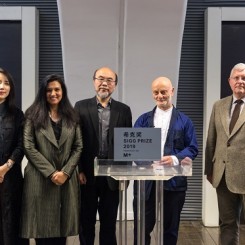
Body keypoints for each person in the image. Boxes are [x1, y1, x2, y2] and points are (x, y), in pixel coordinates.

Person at [133, 76, 198, 245]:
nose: (160, 95)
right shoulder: (142, 120)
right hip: (146, 183)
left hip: (174, 181)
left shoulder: (185, 121)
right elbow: (132, 148)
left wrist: (175, 158)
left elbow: (192, 148)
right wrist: (147, 163)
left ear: (172, 91)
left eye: (164, 92)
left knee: (170, 228)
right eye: (156, 92)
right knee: (142, 227)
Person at [20, 74, 83, 245]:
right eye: (49, 90)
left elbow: (78, 147)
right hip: (39, 178)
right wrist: (51, 172)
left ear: (63, 91)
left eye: (57, 89)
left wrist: (65, 172)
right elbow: (28, 147)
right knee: (41, 229)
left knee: (63, 229)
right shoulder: (32, 114)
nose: (53, 93)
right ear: (43, 92)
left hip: (65, 179)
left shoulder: (72, 115)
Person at [75, 66, 132, 245]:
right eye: (100, 79)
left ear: (115, 85)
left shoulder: (124, 110)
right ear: (94, 82)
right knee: (86, 221)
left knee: (109, 222)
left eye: (109, 80)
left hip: (112, 173)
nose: (104, 84)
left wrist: (125, 174)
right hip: (87, 174)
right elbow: (76, 142)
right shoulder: (80, 106)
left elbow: (127, 144)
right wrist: (79, 170)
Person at [205, 63, 245, 245]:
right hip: (223, 176)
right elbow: (211, 139)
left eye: (243, 78)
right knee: (227, 224)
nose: (240, 81)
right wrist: (209, 170)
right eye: (236, 78)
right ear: (229, 81)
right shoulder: (218, 106)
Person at [0, 68, 28, 245]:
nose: (2, 86)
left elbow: (22, 145)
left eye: (6, 83)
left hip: (11, 177)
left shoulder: (17, 114)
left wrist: (5, 167)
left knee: (11, 223)